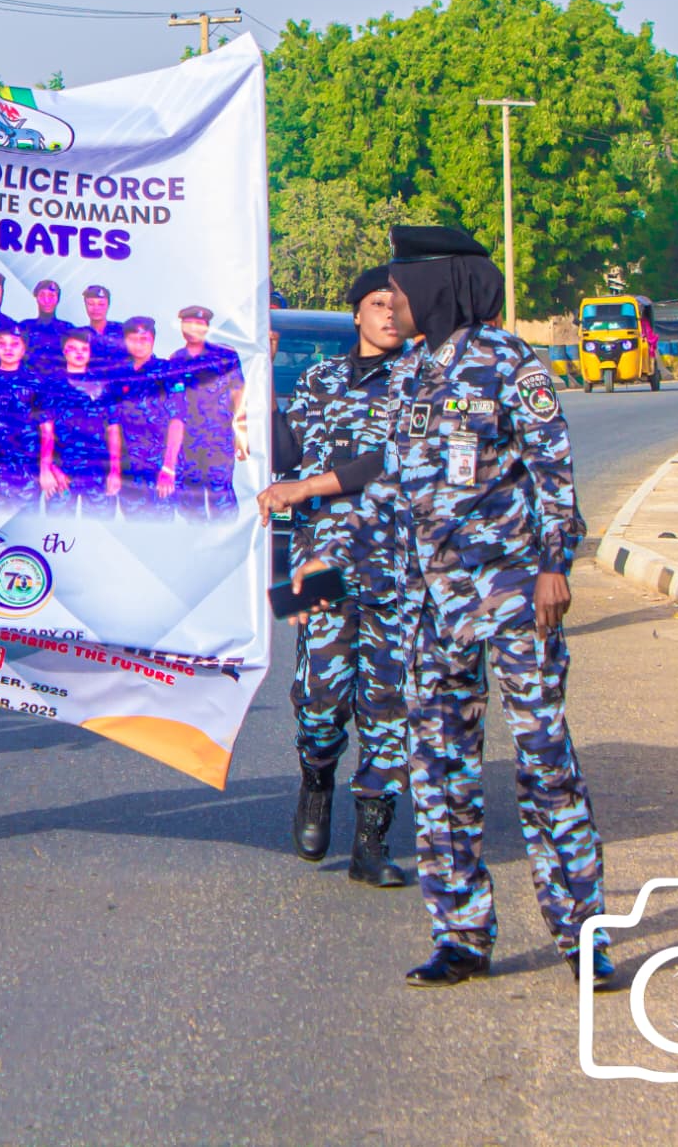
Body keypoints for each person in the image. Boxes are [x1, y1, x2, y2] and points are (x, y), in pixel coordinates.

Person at [351, 224, 609, 991]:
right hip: (431, 603)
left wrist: (554, 565)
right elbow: (395, 483)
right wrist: (342, 565)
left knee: (544, 762)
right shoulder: (407, 374)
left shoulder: (511, 363)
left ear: (437, 290)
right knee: (440, 768)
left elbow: (553, 473)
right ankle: (460, 934)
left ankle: (583, 937)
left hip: (512, 589)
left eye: (399, 290)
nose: (391, 303)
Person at [257, 265, 412, 889]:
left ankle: (372, 841)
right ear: (356, 312)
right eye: (378, 303)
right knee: (320, 698)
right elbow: (283, 453)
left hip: (397, 569)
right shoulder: (321, 380)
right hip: (321, 564)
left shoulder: (421, 384)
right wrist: (263, 378)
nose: (389, 313)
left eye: (397, 303)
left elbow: (390, 460)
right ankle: (316, 783)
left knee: (388, 705)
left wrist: (306, 488)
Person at [170, 306, 247, 517]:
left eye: (199, 324)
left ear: (206, 327)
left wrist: (242, 435)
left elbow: (238, 393)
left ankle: (225, 542)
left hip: (218, 440)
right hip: (188, 443)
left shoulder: (224, 356)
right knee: (189, 500)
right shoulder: (176, 359)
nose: (193, 328)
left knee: (220, 497)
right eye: (189, 324)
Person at [107, 317, 185, 520]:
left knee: (161, 532)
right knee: (132, 531)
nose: (139, 344)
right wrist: (115, 470)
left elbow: (176, 421)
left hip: (160, 467)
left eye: (144, 339)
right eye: (133, 339)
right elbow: (113, 425)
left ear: (153, 340)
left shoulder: (168, 371)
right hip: (129, 469)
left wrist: (169, 466)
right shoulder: (118, 375)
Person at [37, 329, 120, 515]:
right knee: (58, 530)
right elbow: (46, 432)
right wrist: (48, 469)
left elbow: (113, 430)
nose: (79, 353)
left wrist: (115, 472)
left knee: (99, 531)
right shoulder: (52, 385)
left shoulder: (102, 385)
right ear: (64, 352)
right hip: (62, 471)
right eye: (73, 348)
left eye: (84, 349)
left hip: (98, 470)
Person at [0, 327, 47, 510]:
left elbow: (47, 432)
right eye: (2, 344)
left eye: (15, 344)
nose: (8, 349)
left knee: (23, 532)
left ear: (24, 349)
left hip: (25, 473)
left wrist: (45, 470)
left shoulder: (36, 382)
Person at [76, 285, 128, 378]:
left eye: (101, 304)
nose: (96, 308)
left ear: (108, 305)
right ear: (85, 305)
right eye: (91, 304)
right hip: (89, 386)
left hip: (121, 385)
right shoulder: (78, 335)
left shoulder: (124, 331)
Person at [18, 281, 68, 377]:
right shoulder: (24, 327)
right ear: (36, 298)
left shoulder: (67, 330)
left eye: (51, 296)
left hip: (57, 384)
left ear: (58, 299)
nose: (47, 300)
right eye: (42, 295)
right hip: (29, 382)